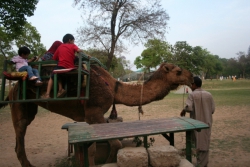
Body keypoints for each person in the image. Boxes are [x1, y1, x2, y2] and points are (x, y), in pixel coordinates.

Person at [180, 76, 215, 167]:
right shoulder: (209, 94)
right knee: (205, 142)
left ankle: (200, 164)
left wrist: (184, 110)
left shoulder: (192, 95)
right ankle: (203, 163)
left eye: (191, 84)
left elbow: (189, 107)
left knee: (198, 143)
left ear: (194, 84)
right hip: (207, 123)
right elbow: (212, 109)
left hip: (196, 124)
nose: (191, 86)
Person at [41, 34, 83, 99]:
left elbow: (54, 58)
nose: (74, 42)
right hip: (70, 67)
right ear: (69, 40)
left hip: (62, 66)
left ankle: (47, 94)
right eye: (73, 41)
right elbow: (78, 50)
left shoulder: (60, 47)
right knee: (58, 74)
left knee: (52, 76)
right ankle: (60, 90)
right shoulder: (73, 46)